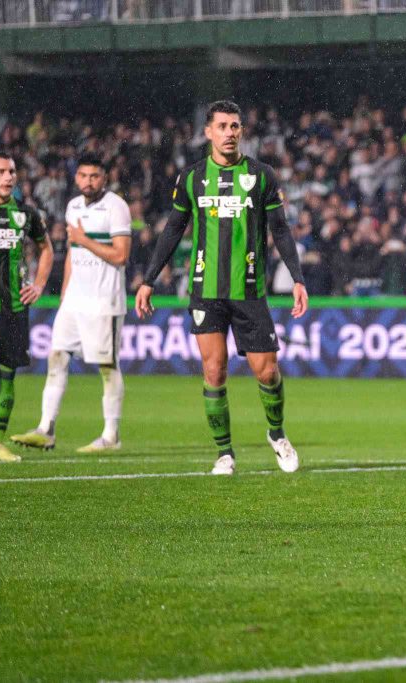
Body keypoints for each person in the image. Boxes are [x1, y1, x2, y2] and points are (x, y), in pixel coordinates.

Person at [134, 100, 308, 476]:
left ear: (242, 131)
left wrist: (297, 278)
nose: (230, 132)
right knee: (214, 371)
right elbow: (172, 229)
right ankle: (224, 453)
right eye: (222, 126)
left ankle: (276, 434)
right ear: (208, 132)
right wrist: (148, 280)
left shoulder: (261, 176)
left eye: (235, 126)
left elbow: (279, 229)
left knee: (267, 372)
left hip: (249, 290)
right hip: (205, 290)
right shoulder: (192, 178)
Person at [11, 155, 131, 453]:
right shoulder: (73, 206)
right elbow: (74, 255)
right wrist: (65, 292)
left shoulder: (116, 207)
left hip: (105, 300)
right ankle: (46, 428)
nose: (88, 181)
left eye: (94, 176)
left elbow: (120, 256)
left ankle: (111, 435)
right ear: (76, 177)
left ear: (104, 178)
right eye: (83, 175)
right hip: (75, 299)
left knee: (107, 366)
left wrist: (84, 238)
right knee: (57, 358)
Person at [0, 151, 54, 462]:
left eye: (11, 171)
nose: (8, 177)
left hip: (14, 308)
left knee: (7, 376)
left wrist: (38, 285)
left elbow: (46, 249)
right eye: (1, 171)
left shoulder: (26, 214)